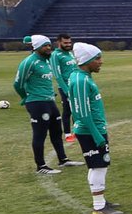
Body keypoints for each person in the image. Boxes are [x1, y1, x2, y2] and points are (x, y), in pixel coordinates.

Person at [13, 35, 81, 174]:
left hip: (49, 101)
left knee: (57, 131)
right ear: (37, 47)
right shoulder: (29, 62)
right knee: (40, 134)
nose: (49, 48)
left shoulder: (48, 60)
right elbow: (18, 83)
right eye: (45, 45)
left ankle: (63, 160)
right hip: (36, 102)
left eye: (49, 45)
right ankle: (41, 166)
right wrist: (25, 97)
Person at [67, 42, 120, 214]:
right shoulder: (80, 80)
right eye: (97, 58)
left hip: (92, 128)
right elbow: (82, 112)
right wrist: (96, 134)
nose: (100, 61)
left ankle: (101, 200)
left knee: (97, 165)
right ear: (87, 60)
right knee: (99, 166)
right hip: (90, 130)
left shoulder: (82, 76)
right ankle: (98, 206)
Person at [51, 33, 78, 143]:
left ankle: (77, 131)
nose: (68, 44)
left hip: (75, 85)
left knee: (76, 109)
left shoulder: (70, 54)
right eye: (65, 43)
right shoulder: (55, 55)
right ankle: (67, 134)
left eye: (69, 42)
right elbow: (57, 75)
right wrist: (66, 90)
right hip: (65, 87)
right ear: (59, 42)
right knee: (67, 110)